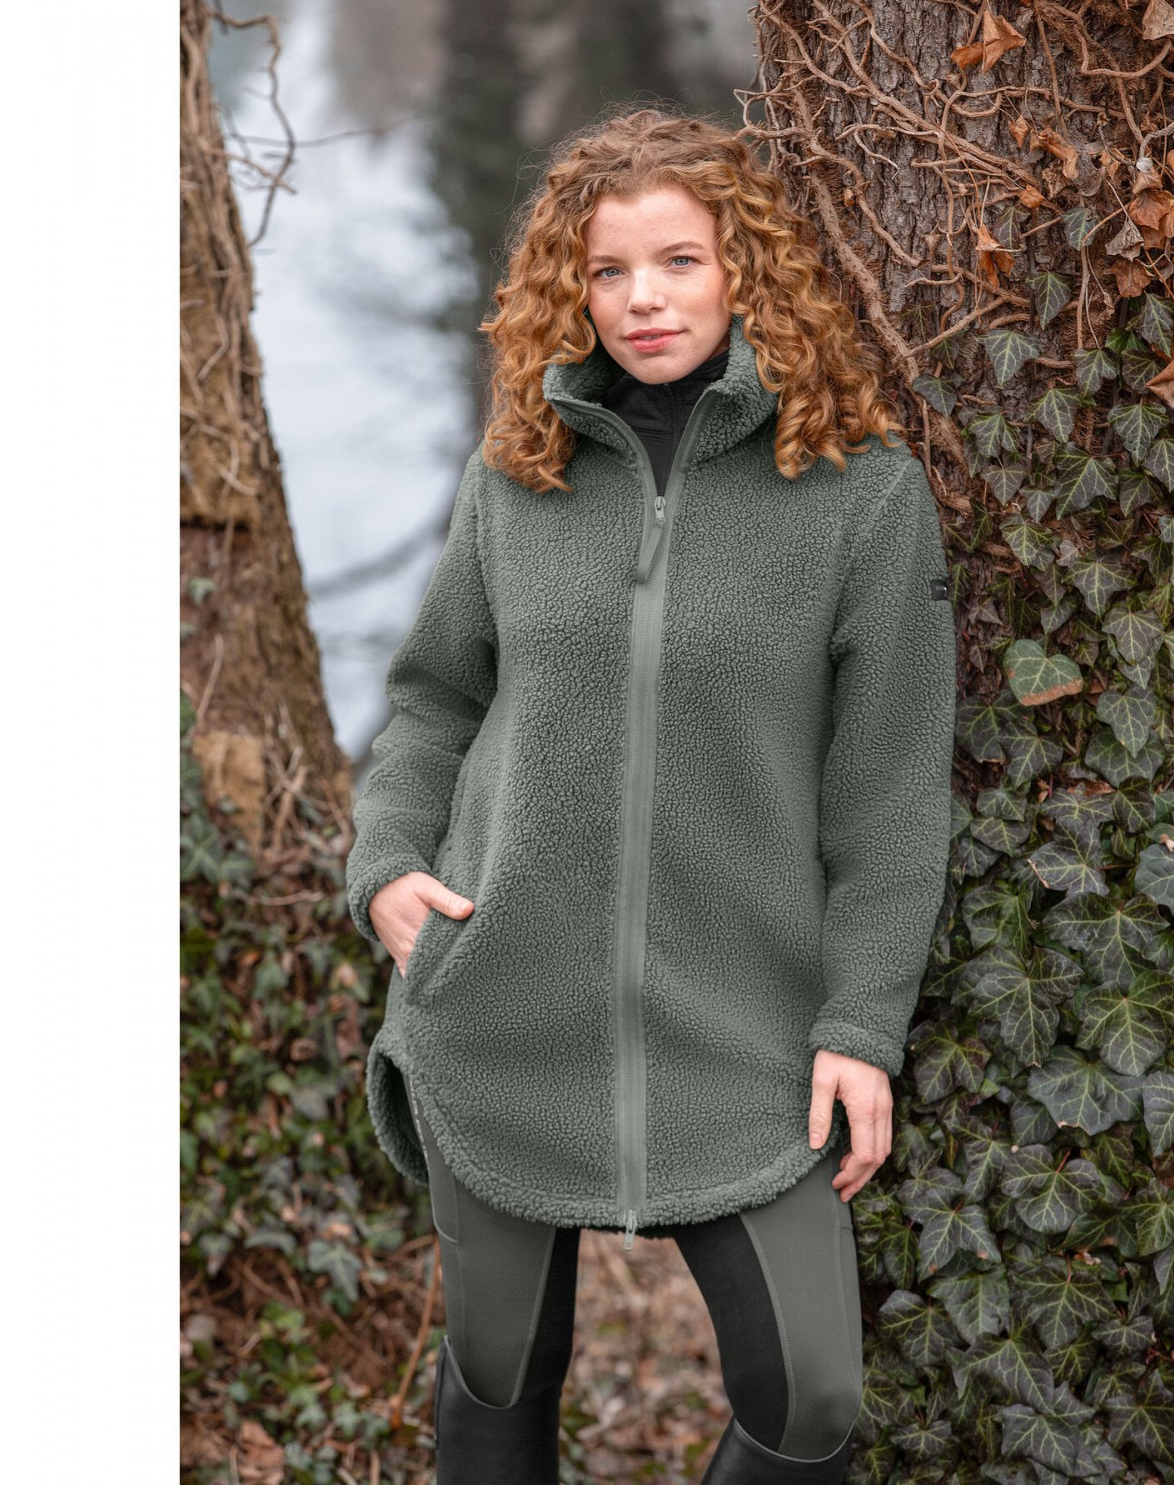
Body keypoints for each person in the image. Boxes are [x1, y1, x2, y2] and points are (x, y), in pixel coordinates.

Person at [344, 106, 957, 1483]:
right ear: (572, 290)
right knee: (497, 1373)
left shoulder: (859, 497)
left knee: (811, 1402)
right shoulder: (520, 476)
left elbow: (890, 794)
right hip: (502, 1007)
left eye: (679, 261)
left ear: (746, 269)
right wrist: (386, 865)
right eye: (609, 270)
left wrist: (860, 1023)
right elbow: (436, 697)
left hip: (748, 1032)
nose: (643, 300)